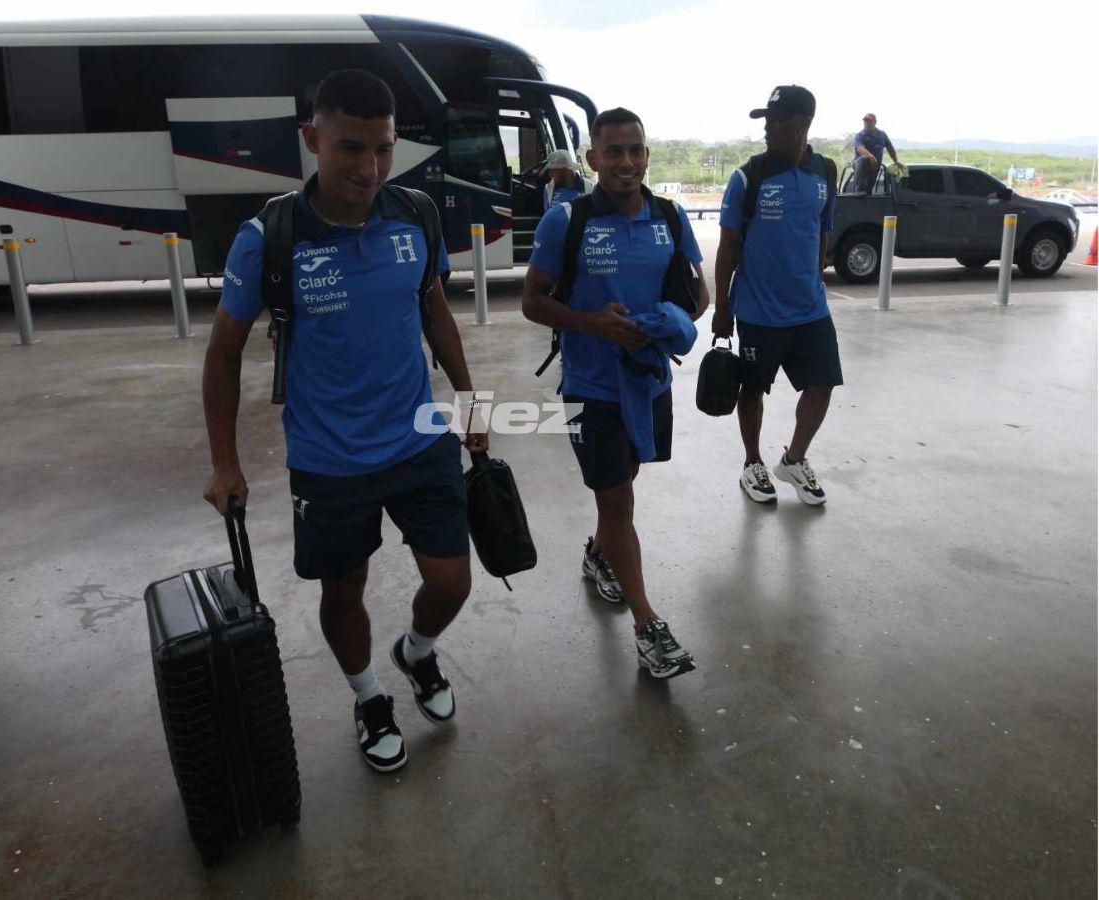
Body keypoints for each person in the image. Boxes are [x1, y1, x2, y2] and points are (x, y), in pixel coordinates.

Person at [202, 69, 487, 774]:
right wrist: (225, 462)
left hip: (420, 440)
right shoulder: (269, 238)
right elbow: (224, 352)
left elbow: (434, 309)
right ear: (312, 140)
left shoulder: (415, 214)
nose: (368, 168)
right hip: (329, 460)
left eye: (383, 149)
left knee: (453, 581)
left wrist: (469, 395)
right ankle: (367, 695)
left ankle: (416, 652)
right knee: (344, 589)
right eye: (350, 148)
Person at [522, 107, 710, 679]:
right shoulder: (567, 221)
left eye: (636, 151)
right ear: (593, 158)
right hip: (589, 388)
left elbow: (698, 297)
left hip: (649, 380)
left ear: (647, 155)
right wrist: (590, 322)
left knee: (623, 485)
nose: (626, 162)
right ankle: (648, 625)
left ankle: (598, 555)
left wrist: (665, 322)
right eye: (614, 152)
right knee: (617, 500)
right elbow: (533, 301)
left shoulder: (671, 219)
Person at [712, 85, 843, 506]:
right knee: (752, 389)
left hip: (810, 309)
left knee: (822, 384)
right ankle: (753, 462)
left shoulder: (825, 171)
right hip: (757, 311)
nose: (767, 129)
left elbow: (822, 229)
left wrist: (814, 273)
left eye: (775, 122)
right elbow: (728, 246)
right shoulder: (748, 177)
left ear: (802, 124)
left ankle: (794, 458)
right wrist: (722, 308)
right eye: (765, 121)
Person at [852, 113, 900, 195]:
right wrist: (871, 157)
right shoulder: (860, 135)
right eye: (865, 121)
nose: (867, 123)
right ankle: (859, 190)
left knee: (869, 187)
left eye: (870, 121)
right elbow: (860, 149)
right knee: (864, 159)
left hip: (875, 166)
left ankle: (867, 199)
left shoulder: (882, 134)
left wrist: (896, 161)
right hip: (861, 165)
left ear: (875, 122)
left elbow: (890, 148)